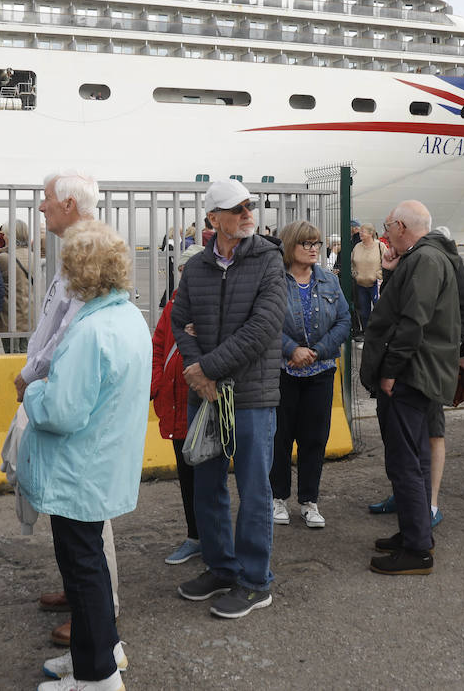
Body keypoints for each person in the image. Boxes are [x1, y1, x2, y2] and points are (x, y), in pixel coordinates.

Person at [18, 221, 149, 691]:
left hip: (78, 469)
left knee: (83, 569)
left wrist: (32, 391)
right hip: (104, 463)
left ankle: (97, 677)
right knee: (89, 563)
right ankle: (99, 653)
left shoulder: (91, 329)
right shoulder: (129, 317)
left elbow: (62, 411)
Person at [16, 171, 122, 649]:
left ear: (70, 206)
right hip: (52, 383)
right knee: (72, 520)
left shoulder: (88, 254)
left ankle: (98, 614)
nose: (41, 208)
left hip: (60, 390)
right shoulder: (76, 248)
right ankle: (82, 595)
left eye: (46, 201)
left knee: (87, 523)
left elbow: (69, 331)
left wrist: (32, 376)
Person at [171, 178, 286, 619]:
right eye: (236, 209)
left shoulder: (268, 260)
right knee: (207, 484)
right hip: (207, 392)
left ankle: (256, 581)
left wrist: (207, 369)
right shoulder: (196, 267)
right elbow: (180, 320)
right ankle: (221, 567)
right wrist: (201, 373)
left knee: (255, 488)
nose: (246, 214)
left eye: (249, 206)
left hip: (252, 394)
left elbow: (264, 328)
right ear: (213, 219)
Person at [360, 200, 461, 575]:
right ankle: (414, 533)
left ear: (401, 226)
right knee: (414, 457)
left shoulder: (424, 260)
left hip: (409, 376)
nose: (385, 236)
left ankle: (417, 550)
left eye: (388, 228)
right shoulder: (427, 257)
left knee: (405, 461)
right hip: (419, 373)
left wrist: (391, 370)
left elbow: (412, 321)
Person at [271, 220, 350, 529]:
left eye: (316, 243)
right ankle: (278, 498)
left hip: (320, 371)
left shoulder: (329, 281)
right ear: (291, 246)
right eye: (307, 244)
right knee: (280, 438)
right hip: (283, 372)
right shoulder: (274, 281)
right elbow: (263, 321)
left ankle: (309, 501)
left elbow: (344, 320)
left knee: (314, 439)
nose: (314, 248)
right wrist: (291, 349)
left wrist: (316, 351)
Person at [152, 287, 200, 566]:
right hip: (176, 402)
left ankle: (215, 541)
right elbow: (159, 343)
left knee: (208, 479)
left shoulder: (220, 298)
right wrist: (158, 383)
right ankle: (196, 537)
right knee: (188, 474)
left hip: (204, 402)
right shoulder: (176, 301)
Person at [0, 219, 34, 353]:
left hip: (10, 317)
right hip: (30, 317)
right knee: (26, 356)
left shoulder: (3, 258)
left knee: (11, 355)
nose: (3, 236)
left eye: (4, 234)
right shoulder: (33, 256)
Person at [351, 222, 382, 332]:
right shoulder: (357, 247)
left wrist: (379, 274)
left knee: (379, 311)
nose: (360, 233)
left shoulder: (379, 246)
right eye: (360, 231)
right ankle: (366, 335)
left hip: (375, 284)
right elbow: (352, 262)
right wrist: (355, 274)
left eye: (363, 231)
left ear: (371, 233)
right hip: (360, 284)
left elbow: (387, 262)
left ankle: (379, 335)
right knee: (364, 312)